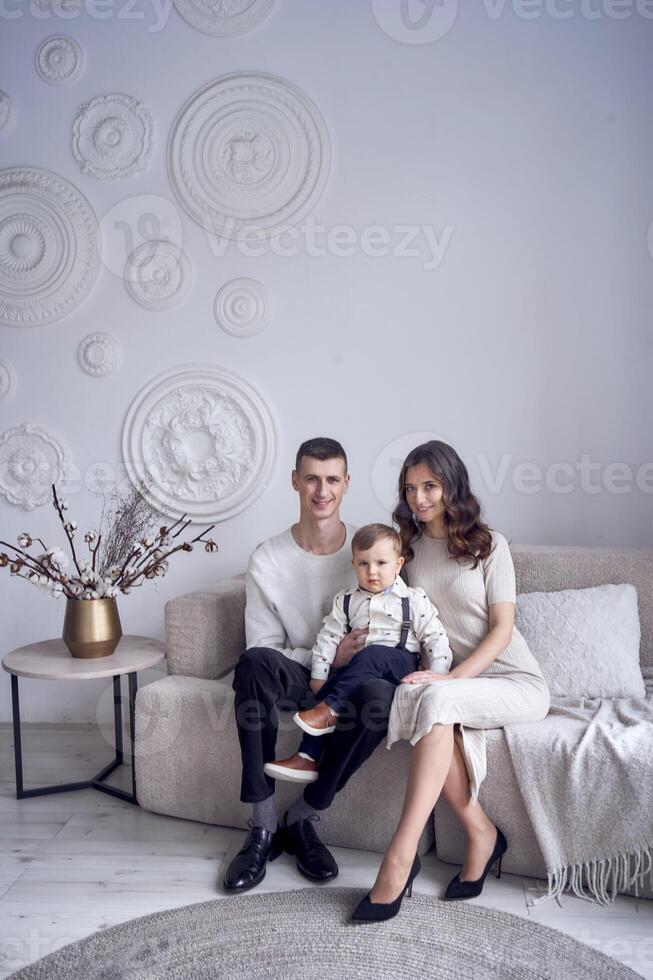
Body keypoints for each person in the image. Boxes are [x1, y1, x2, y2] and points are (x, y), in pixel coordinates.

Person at [352, 440, 551, 923]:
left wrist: (452, 678)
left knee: (435, 696)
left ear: (451, 485)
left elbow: (502, 631)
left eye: (431, 486)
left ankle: (399, 858)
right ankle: (481, 832)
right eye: (410, 488)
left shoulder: (489, 545)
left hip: (514, 681)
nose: (420, 498)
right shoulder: (407, 552)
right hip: (450, 685)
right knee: (430, 704)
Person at [224, 438, 397, 894]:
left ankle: (301, 818)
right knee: (254, 664)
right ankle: (262, 826)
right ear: (295, 482)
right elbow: (263, 645)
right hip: (296, 672)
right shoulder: (267, 558)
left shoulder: (370, 548)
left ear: (347, 484)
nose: (323, 491)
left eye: (333, 479)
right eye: (313, 479)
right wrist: (323, 658)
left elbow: (398, 627)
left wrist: (345, 663)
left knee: (381, 697)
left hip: (353, 680)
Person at [264, 523, 452, 783]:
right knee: (338, 677)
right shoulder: (347, 600)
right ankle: (306, 757)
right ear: (354, 564)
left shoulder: (412, 599)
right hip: (360, 669)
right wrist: (319, 675)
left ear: (398, 565)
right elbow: (328, 638)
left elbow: (436, 638)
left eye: (381, 563)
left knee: (372, 654)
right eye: (363, 564)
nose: (371, 571)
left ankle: (330, 710)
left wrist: (438, 675)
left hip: (399, 664)